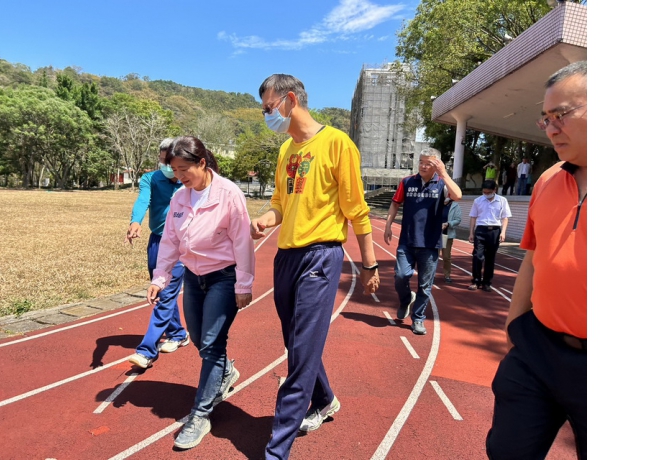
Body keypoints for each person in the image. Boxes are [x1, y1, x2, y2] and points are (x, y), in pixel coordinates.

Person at [251, 74, 380, 460]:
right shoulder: (285, 151)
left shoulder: (337, 143)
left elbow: (356, 209)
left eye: (269, 107)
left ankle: (277, 450)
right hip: (285, 258)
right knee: (296, 343)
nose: (266, 115)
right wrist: (266, 218)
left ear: (290, 100)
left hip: (321, 257)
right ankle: (324, 399)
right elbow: (279, 201)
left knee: (300, 356)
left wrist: (370, 264)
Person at [485, 61, 587, 460]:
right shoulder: (548, 180)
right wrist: (515, 324)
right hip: (537, 349)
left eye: (561, 114)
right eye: (545, 118)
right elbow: (533, 256)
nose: (551, 127)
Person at [146, 136, 255, 450]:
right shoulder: (181, 197)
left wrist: (243, 284)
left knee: (210, 344)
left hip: (224, 276)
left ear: (202, 163)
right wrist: (161, 277)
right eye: (175, 171)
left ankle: (201, 414)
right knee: (198, 338)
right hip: (193, 278)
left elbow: (242, 242)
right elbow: (169, 241)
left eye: (184, 170)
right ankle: (225, 370)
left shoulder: (229, 194)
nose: (179, 177)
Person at [383, 148, 462, 335]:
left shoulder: (442, 183)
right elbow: (395, 203)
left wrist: (444, 173)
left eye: (429, 163)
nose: (423, 165)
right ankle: (404, 300)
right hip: (407, 241)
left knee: (425, 286)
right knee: (401, 276)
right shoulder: (407, 181)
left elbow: (457, 196)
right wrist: (388, 225)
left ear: (438, 165)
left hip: (430, 243)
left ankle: (418, 319)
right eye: (421, 161)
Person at [126, 138, 189, 370]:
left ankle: (146, 350)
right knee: (161, 289)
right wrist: (135, 222)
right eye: (162, 161)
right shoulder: (150, 179)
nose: (165, 165)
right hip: (156, 241)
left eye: (169, 162)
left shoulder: (188, 181)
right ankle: (179, 333)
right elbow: (143, 200)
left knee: (166, 291)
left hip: (180, 245)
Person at [467, 180, 511, 292]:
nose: (486, 194)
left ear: (494, 190)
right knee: (477, 256)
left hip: (494, 231)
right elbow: (473, 217)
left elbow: (505, 217)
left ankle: (487, 283)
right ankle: (476, 281)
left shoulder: (502, 201)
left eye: (488, 192)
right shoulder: (478, 201)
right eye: (484, 192)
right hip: (481, 230)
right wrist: (471, 233)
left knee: (490, 258)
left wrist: (503, 232)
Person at [439, 190, 462, 284]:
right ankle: (429, 275)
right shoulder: (436, 204)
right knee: (432, 256)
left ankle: (447, 275)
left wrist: (448, 224)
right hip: (434, 234)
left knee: (446, 256)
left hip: (447, 234)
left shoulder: (455, 206)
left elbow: (458, 219)